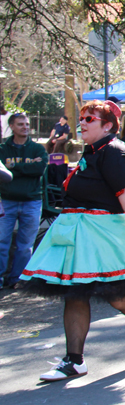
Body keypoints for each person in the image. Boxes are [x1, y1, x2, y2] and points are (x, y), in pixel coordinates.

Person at [19, 100, 125, 381]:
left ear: (108, 126)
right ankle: (74, 360)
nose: (82, 123)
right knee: (75, 294)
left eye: (89, 119)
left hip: (107, 235)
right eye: (82, 118)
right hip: (77, 233)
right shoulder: (91, 152)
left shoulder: (116, 152)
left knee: (119, 296)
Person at [0, 113, 48, 288]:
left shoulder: (38, 149)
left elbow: (39, 168)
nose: (25, 127)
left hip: (31, 201)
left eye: (27, 124)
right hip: (7, 200)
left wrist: (13, 167)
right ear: (11, 126)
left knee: (26, 245)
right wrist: (26, 168)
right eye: (20, 124)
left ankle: (18, 279)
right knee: (1, 242)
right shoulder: (3, 149)